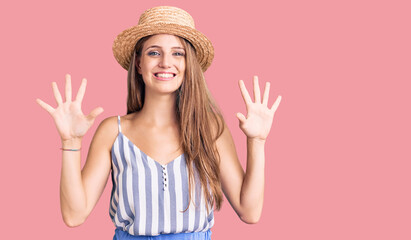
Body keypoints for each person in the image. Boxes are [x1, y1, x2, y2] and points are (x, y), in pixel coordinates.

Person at [36, 6, 282, 240]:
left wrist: (257, 141)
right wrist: (70, 142)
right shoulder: (113, 131)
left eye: (178, 53)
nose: (166, 62)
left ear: (189, 65)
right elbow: (74, 215)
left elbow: (249, 212)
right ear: (139, 63)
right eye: (154, 52)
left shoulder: (211, 129)